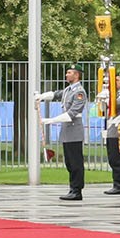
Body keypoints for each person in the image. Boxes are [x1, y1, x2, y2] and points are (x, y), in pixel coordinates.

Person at [50, 67, 88, 200]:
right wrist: (42, 96)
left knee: (76, 162)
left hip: (74, 129)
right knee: (69, 162)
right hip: (67, 130)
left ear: (77, 75)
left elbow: (72, 113)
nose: (67, 75)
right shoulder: (68, 90)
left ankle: (77, 190)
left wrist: (51, 120)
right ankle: (72, 188)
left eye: (69, 73)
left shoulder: (79, 92)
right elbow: (56, 94)